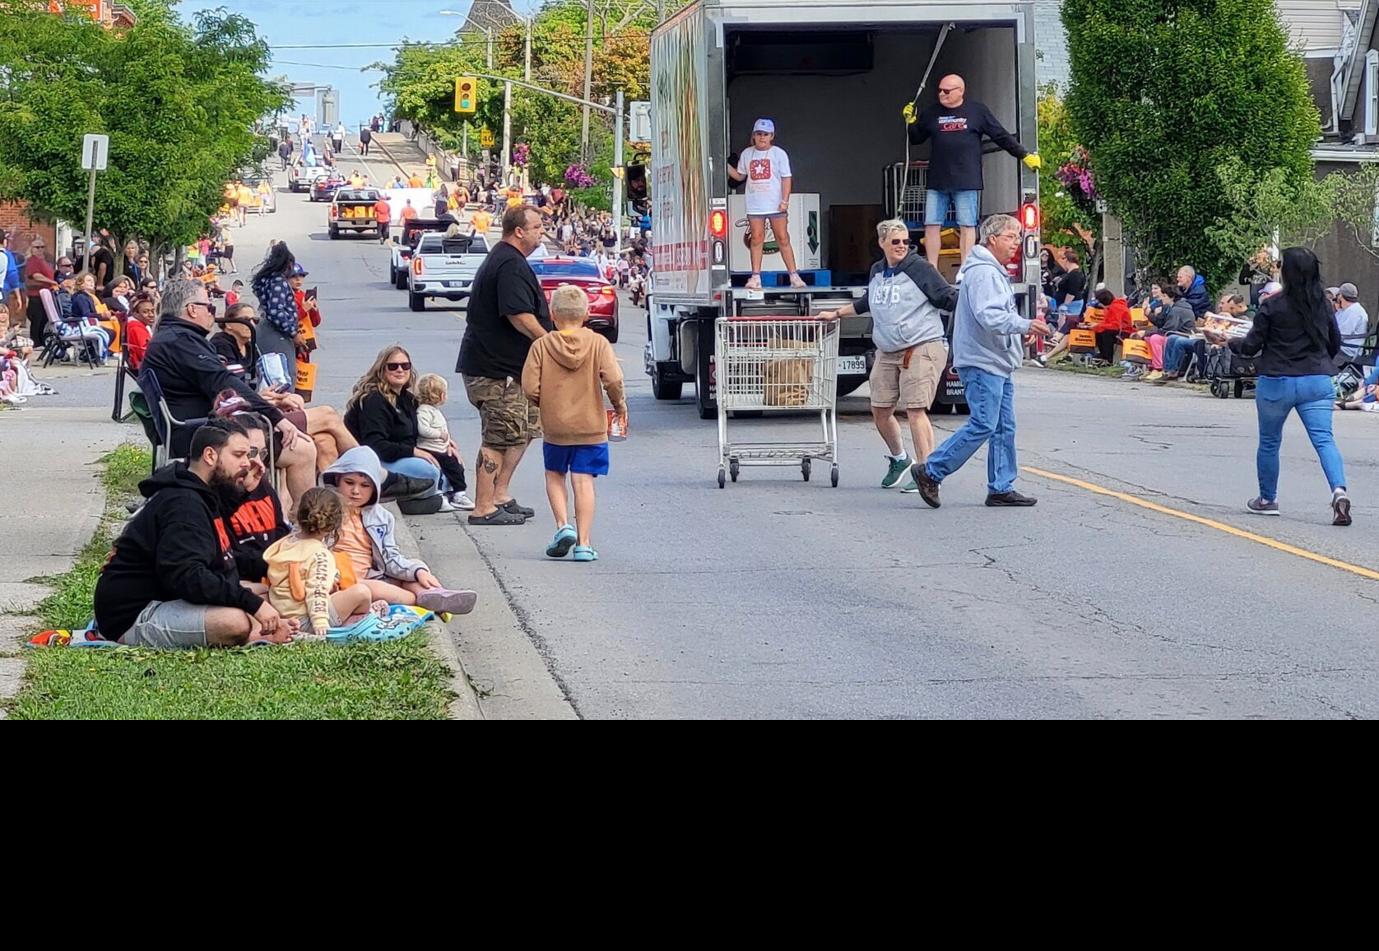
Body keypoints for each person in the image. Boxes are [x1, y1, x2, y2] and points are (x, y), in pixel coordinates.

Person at [93, 418, 294, 648]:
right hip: (133, 615)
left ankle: (258, 627)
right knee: (234, 622)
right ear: (210, 456)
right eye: (239, 455)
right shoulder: (182, 505)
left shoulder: (207, 494)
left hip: (170, 597)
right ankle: (254, 633)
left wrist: (279, 568)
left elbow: (223, 561)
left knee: (269, 594)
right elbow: (188, 577)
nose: (248, 464)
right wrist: (252, 605)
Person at [908, 214, 1052, 508]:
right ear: (993, 239)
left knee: (1002, 426)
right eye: (1011, 237)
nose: (1016, 243)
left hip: (994, 359)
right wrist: (1023, 325)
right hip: (983, 360)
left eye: (1018, 237)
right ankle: (932, 470)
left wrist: (1016, 333)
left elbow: (993, 316)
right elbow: (989, 316)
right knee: (984, 423)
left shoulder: (989, 270)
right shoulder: (984, 273)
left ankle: (1001, 485)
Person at [141, 278, 317, 504]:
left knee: (319, 439)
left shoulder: (174, 338)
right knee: (304, 449)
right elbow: (223, 381)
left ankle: (303, 518)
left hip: (205, 425)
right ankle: (311, 525)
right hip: (202, 433)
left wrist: (268, 407)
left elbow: (222, 385)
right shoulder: (179, 341)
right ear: (192, 309)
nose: (213, 314)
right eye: (209, 307)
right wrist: (276, 417)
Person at [818, 219, 958, 489]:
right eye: (896, 242)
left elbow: (948, 298)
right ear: (882, 243)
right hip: (888, 348)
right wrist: (836, 314)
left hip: (921, 344)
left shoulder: (921, 269)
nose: (902, 246)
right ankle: (899, 459)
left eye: (906, 241)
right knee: (880, 410)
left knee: (915, 409)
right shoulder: (878, 271)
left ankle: (926, 473)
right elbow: (867, 302)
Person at [1223, 247, 1349, 525]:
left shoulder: (1272, 305)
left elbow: (1251, 345)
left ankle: (1267, 499)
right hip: (1316, 380)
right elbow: (1335, 343)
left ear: (1286, 272)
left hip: (1277, 380)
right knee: (1324, 439)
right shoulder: (1323, 304)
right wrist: (1318, 362)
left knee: (1270, 441)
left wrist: (1227, 341)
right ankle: (1339, 491)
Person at [457, 204, 553, 526]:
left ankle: (501, 494)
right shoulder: (508, 263)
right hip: (495, 371)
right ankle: (482, 506)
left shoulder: (512, 260)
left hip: (514, 371)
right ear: (519, 231)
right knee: (499, 436)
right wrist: (549, 342)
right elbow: (518, 314)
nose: (542, 232)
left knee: (523, 430)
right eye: (537, 227)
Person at [522, 285, 627, 561]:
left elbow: (529, 386)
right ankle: (583, 543)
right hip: (591, 425)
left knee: (555, 474)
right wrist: (619, 406)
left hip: (556, 427)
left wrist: (546, 404)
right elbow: (613, 380)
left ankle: (561, 525)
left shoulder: (541, 346)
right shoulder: (598, 343)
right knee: (583, 481)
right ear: (586, 314)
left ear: (553, 315)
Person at [321, 446, 478, 613]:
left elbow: (390, 558)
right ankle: (419, 600)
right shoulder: (324, 509)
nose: (356, 491)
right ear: (337, 478)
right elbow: (309, 544)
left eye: (365, 485)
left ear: (375, 487)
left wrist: (417, 572)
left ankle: (434, 594)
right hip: (341, 580)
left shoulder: (382, 517)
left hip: (373, 575)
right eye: (349, 483)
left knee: (416, 568)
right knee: (382, 591)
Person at [906, 74, 1041, 267]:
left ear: (960, 91)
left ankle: (966, 267)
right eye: (939, 90)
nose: (941, 94)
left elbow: (1000, 135)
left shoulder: (977, 111)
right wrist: (911, 122)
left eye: (946, 91)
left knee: (967, 224)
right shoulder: (932, 112)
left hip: (967, 178)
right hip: (938, 178)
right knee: (932, 224)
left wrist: (1023, 154)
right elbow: (917, 138)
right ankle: (932, 267)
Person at [263, 487, 388, 639]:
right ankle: (358, 620)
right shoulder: (320, 555)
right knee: (362, 592)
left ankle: (346, 619)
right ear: (334, 525)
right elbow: (316, 589)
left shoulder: (286, 542)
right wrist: (320, 622)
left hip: (286, 614)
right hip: (307, 619)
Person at [344, 345, 454, 511]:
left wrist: (446, 443)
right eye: (393, 366)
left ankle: (425, 496)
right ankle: (422, 499)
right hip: (376, 460)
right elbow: (375, 445)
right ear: (381, 369)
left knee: (448, 466)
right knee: (430, 472)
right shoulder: (373, 400)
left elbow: (422, 429)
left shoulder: (408, 399)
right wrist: (413, 452)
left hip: (398, 457)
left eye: (405, 365)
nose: (400, 370)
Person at [726, 119, 806, 290]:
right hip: (755, 204)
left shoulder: (779, 154)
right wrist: (722, 165)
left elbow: (786, 178)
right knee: (756, 239)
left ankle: (794, 275)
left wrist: (785, 201)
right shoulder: (747, 154)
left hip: (776, 204)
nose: (762, 137)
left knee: (782, 238)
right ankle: (755, 277)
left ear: (772, 136)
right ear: (753, 136)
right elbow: (740, 176)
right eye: (759, 134)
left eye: (766, 134)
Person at [225, 416, 290, 583]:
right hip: (243, 579)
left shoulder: (263, 485)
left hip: (274, 572)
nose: (259, 463)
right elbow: (228, 558)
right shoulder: (217, 497)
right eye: (251, 453)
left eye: (262, 453)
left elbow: (281, 531)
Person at [414, 373, 474, 510]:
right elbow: (423, 429)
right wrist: (440, 435)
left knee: (456, 465)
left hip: (440, 447)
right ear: (441, 396)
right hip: (430, 448)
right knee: (443, 469)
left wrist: (448, 441)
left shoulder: (433, 411)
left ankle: (457, 492)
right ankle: (444, 494)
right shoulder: (424, 411)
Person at [249, 242, 301, 373]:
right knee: (284, 374)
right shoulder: (278, 282)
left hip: (266, 330)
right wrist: (293, 332)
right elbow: (276, 311)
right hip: (277, 333)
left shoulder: (267, 280)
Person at [22, 235, 56, 345]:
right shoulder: (32, 261)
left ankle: (41, 340)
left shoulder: (44, 261)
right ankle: (35, 342)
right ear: (31, 248)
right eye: (37, 247)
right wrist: (52, 282)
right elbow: (36, 275)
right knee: (37, 319)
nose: (40, 249)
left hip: (45, 294)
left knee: (44, 319)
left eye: (42, 247)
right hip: (36, 294)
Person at [1333, 282, 1369, 358]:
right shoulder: (1345, 310)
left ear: (1341, 296)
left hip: (1348, 350)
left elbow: (1341, 333)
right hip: (1344, 346)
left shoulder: (1354, 312)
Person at [123, 292, 156, 370]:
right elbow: (144, 354)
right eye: (145, 312)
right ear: (135, 313)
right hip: (145, 367)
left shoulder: (139, 325)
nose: (151, 315)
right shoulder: (136, 328)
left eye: (152, 311)